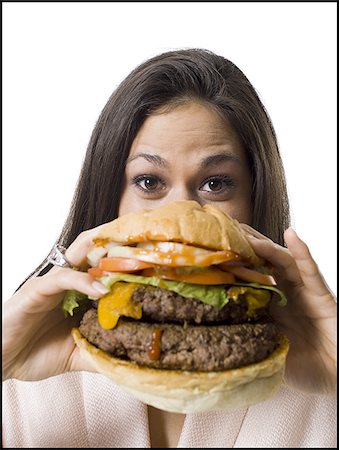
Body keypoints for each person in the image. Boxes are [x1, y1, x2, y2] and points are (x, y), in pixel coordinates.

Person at [2, 48, 337, 448]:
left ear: (255, 196)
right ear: (111, 194)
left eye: (216, 183)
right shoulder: (26, 371)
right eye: (149, 181)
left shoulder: (317, 375)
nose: (180, 211)